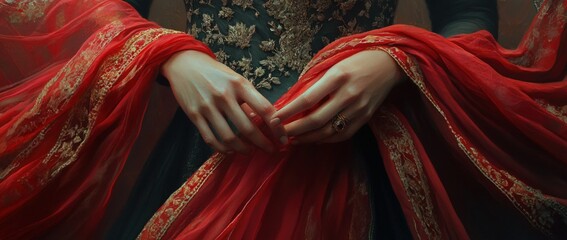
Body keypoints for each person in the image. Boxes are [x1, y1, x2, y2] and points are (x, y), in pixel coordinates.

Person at [135, 0, 567, 239]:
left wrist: (398, 59)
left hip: (368, 153)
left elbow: (467, 17)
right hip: (212, 151)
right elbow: (103, 9)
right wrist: (173, 56)